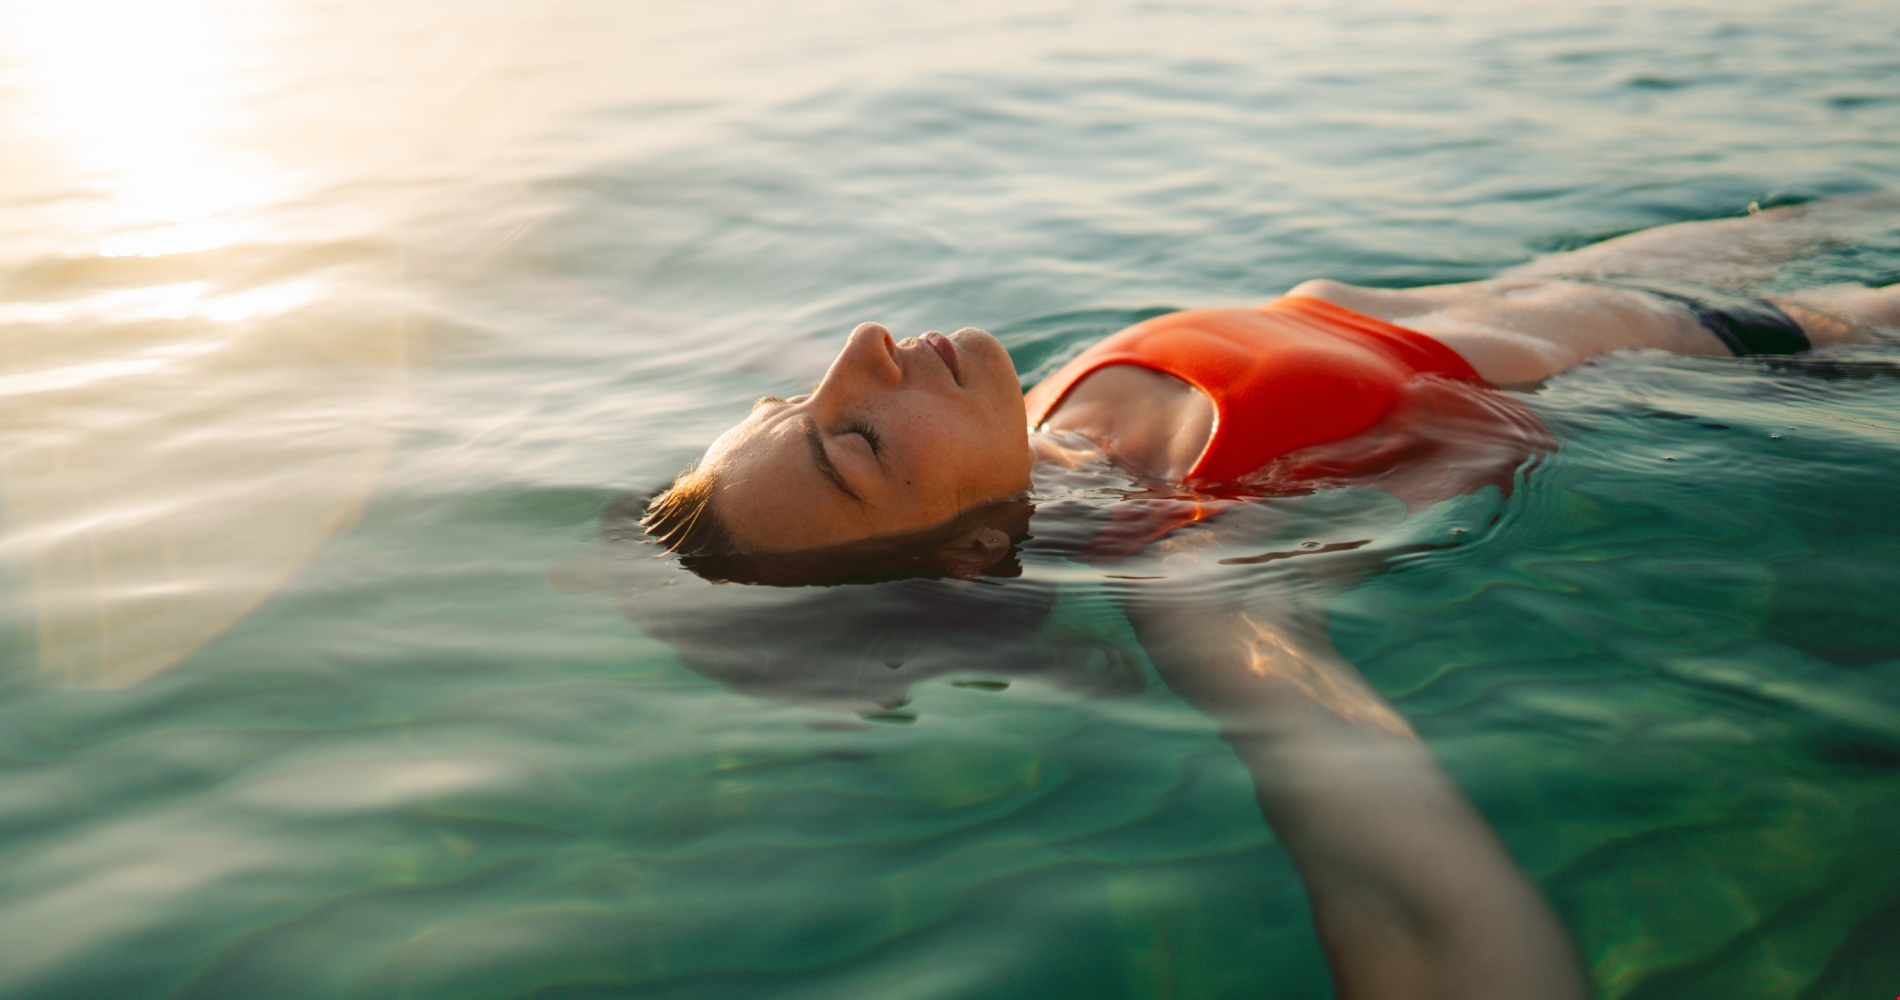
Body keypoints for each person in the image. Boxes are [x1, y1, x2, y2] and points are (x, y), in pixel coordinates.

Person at [628, 198, 1900, 999]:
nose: (855, 354)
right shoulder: (1193, 569)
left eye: (794, 404)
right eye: (854, 440)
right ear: (966, 554)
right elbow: (1407, 891)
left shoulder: (1045, 421)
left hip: (1601, 269)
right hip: (1749, 345)